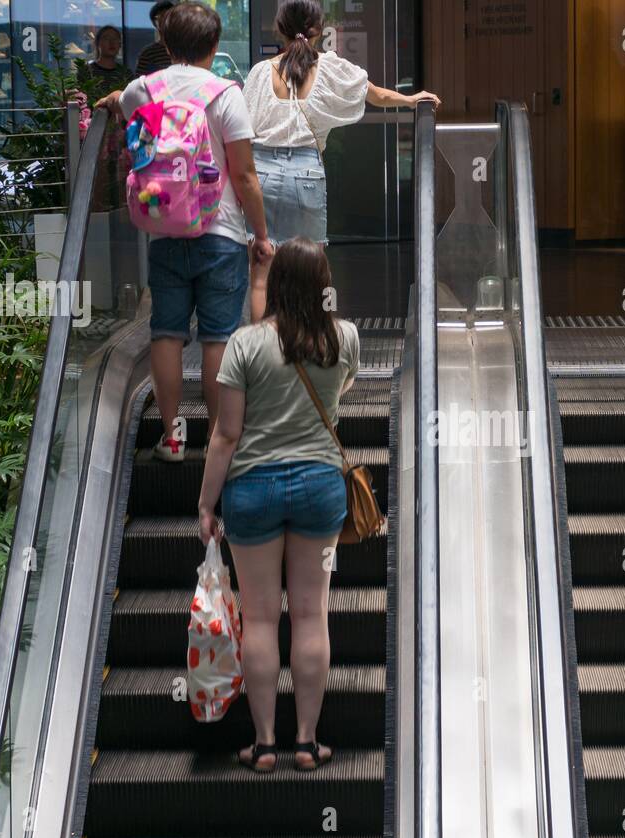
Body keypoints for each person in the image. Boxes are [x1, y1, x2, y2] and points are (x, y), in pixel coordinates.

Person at [196, 238, 360, 773]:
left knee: (262, 620)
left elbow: (226, 434)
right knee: (312, 615)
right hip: (319, 488)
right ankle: (308, 743)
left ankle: (265, 743)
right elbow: (339, 391)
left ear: (277, 284)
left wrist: (205, 504)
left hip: (252, 491)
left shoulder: (243, 345)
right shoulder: (344, 339)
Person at [97, 2, 274, 461]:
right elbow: (245, 176)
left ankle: (172, 437)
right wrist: (261, 233)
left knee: (167, 334)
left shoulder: (141, 90)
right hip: (222, 232)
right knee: (218, 338)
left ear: (166, 44)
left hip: (163, 232)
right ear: (214, 46)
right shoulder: (224, 94)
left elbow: (126, 105)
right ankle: (218, 440)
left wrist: (113, 98)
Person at [241, 0, 440, 320]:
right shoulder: (329, 68)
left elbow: (244, 129)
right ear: (318, 30)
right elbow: (374, 93)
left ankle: (261, 353)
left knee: (262, 273)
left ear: (280, 29)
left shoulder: (260, 74)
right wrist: (410, 99)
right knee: (311, 271)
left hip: (261, 173)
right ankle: (308, 348)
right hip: (306, 172)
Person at [135, 0, 176, 76]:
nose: (165, 21)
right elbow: (139, 82)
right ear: (154, 23)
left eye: (169, 16)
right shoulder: (148, 53)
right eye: (161, 17)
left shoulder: (185, 50)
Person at [87, 25, 129, 92]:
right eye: (106, 38)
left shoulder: (126, 74)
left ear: (120, 44)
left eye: (115, 39)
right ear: (98, 43)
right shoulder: (87, 71)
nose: (112, 42)